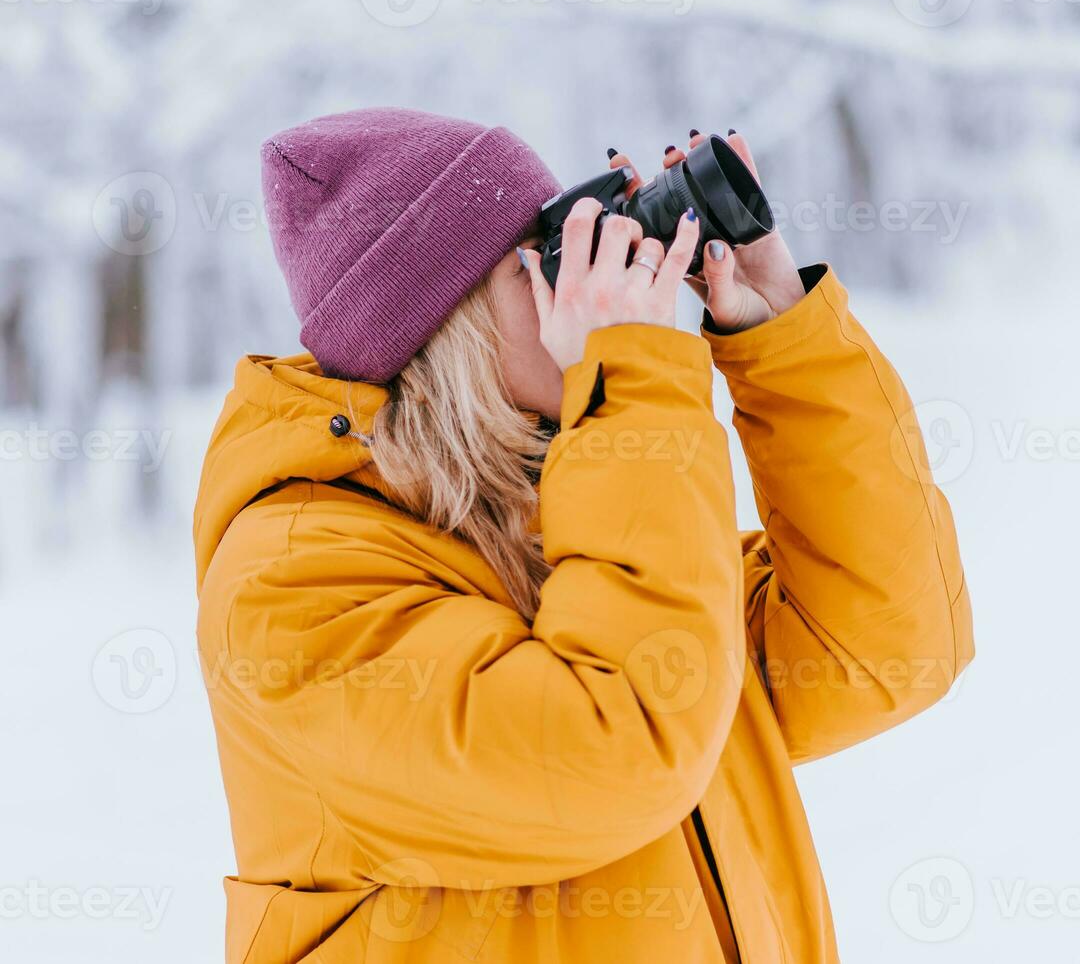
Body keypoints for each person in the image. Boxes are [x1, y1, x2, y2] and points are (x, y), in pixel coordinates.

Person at [194, 106, 972, 963]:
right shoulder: (291, 587)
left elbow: (883, 648)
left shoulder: (576, 521)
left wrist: (777, 330)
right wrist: (632, 383)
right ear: (447, 330)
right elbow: (618, 749)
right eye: (542, 263)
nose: (585, 281)